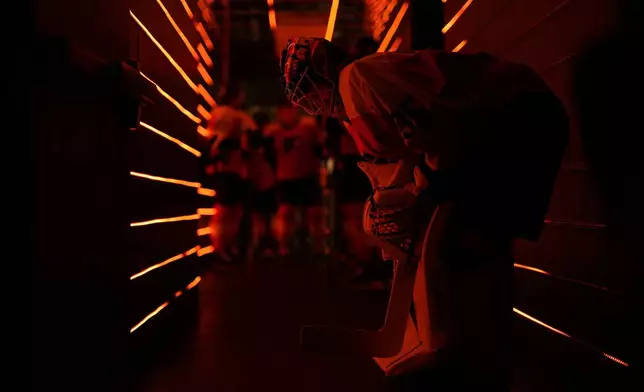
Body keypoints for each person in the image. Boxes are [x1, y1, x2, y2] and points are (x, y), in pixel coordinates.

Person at [278, 37, 569, 389]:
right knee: (464, 237)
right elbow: (404, 159)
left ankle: (464, 357)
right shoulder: (354, 98)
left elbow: (437, 125)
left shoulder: (357, 79)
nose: (310, 99)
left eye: (307, 85)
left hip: (513, 117)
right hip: (502, 121)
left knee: (455, 239)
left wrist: (426, 191)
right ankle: (472, 355)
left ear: (322, 71)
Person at [205, 85, 257, 262]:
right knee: (227, 210)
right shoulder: (233, 116)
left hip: (227, 169)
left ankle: (223, 247)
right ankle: (221, 248)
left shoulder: (216, 114)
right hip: (229, 169)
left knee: (229, 210)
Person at [266, 101, 325, 258]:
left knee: (314, 214)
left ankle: (318, 248)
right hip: (286, 178)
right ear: (279, 113)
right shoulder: (272, 132)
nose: (288, 114)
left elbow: (320, 148)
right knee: (286, 213)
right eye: (284, 111)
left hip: (308, 176)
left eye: (291, 110)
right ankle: (284, 247)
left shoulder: (309, 127)